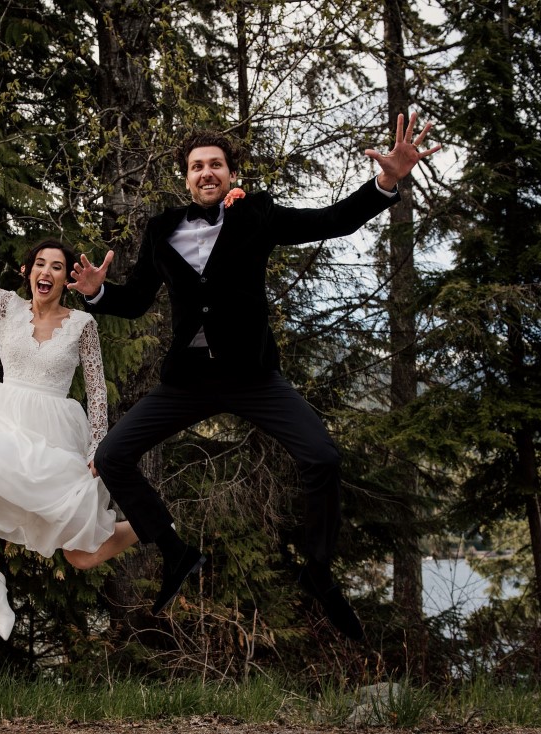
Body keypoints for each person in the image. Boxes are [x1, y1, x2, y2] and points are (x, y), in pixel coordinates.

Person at [67, 112, 440, 640]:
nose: (206, 172)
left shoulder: (257, 215)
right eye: (197, 166)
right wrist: (97, 292)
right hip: (188, 379)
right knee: (111, 456)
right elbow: (134, 303)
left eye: (215, 164)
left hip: (252, 375)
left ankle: (318, 571)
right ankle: (175, 552)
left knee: (323, 457)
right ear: (186, 177)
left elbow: (331, 221)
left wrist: (386, 181)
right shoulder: (160, 230)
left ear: (230, 173)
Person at [0, 178, 138, 640]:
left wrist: (98, 447)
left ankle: (150, 522)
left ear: (66, 279)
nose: (47, 271)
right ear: (28, 271)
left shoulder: (83, 323)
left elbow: (97, 391)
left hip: (56, 436)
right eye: (40, 263)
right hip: (6, 424)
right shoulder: (5, 308)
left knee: (80, 550)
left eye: (57, 267)